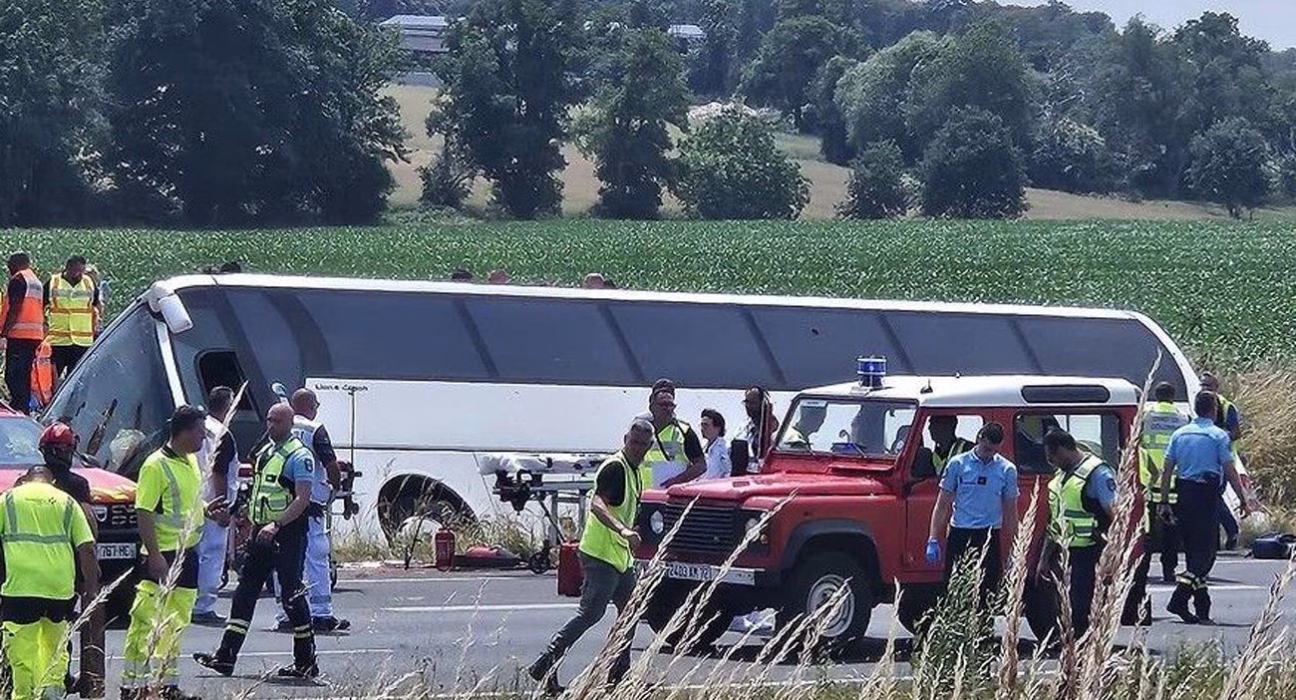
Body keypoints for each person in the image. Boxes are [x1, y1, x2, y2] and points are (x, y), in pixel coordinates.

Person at [528, 420, 654, 694]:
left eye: (643, 444)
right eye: (633, 442)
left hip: (620, 558)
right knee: (590, 614)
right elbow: (598, 504)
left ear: (649, 446)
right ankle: (546, 664)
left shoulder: (636, 470)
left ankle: (618, 676)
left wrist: (634, 532)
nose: (637, 448)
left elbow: (629, 508)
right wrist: (622, 529)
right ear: (625, 439)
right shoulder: (615, 468)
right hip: (600, 555)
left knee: (630, 613)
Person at [194, 403, 319, 679]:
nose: (270, 425)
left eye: (276, 421)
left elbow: (303, 498)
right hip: (260, 532)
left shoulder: (299, 456)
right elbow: (257, 492)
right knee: (245, 592)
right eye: (268, 420)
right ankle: (225, 656)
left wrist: (278, 523)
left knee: (292, 594)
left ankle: (306, 661)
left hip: (288, 533)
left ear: (289, 424)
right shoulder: (265, 452)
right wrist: (245, 520)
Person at [123, 405, 225, 700]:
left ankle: (167, 686)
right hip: (162, 555)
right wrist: (153, 554)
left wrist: (207, 511)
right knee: (146, 622)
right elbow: (144, 511)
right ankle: (134, 687)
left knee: (175, 624)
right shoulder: (156, 465)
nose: (203, 438)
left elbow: (183, 507)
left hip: (186, 554)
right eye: (199, 431)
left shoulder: (191, 462)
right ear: (182, 431)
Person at [1159, 391, 1259, 625]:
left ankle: (1202, 608)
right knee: (1205, 556)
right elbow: (1230, 469)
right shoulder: (1217, 436)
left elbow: (1167, 469)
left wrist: (1164, 501)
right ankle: (1179, 599)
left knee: (1194, 553)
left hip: (1183, 493)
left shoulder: (1179, 434)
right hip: (1205, 495)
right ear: (1213, 410)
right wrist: (1243, 499)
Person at [0, 466, 100, 700]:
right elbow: (86, 548)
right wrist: (91, 589)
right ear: (52, 481)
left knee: (23, 651)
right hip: (59, 588)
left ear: (24, 480)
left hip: (20, 587)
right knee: (55, 647)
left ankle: (24, 696)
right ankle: (52, 694)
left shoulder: (8, 500)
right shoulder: (66, 501)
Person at [274, 388, 349, 633]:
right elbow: (330, 464)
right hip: (310, 505)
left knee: (285, 559)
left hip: (280, 505)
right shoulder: (314, 428)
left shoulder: (279, 425)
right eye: (316, 403)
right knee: (317, 556)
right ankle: (322, 614)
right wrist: (335, 488)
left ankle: (285, 614)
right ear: (310, 405)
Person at [38, 422, 103, 695]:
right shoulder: (77, 485)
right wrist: (90, 576)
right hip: (65, 570)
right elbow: (87, 529)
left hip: (25, 570)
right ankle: (61, 679)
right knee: (60, 628)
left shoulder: (31, 480)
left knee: (28, 632)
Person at [925, 422, 1018, 608]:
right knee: (954, 589)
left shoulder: (1006, 470)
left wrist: (1016, 547)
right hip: (961, 533)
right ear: (979, 439)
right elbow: (942, 504)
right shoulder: (958, 464)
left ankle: (983, 633)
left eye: (992, 451)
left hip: (989, 535)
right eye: (985, 448)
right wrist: (933, 539)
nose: (988, 454)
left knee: (987, 591)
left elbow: (1010, 511)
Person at [1040, 430, 1118, 639]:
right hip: (1065, 553)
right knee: (1064, 609)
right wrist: (1045, 558)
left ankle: (1088, 655)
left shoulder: (1097, 474)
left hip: (1091, 552)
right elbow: (1054, 521)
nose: (1051, 462)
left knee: (1082, 608)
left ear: (1063, 450)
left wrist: (1113, 556)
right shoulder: (1062, 476)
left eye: (1052, 457)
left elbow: (1116, 516)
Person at [193, 387, 241, 627]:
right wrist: (222, 507)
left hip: (197, 502)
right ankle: (204, 606)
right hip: (214, 505)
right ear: (228, 405)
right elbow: (220, 472)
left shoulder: (201, 428)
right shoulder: (222, 433)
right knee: (212, 556)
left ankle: (194, 602)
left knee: (197, 554)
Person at [1200, 372, 1242, 550]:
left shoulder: (1226, 406)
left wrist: (1218, 437)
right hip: (1204, 458)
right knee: (1210, 496)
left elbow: (1236, 432)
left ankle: (1231, 530)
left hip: (1222, 458)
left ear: (1216, 388)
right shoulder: (1199, 403)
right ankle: (1217, 537)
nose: (1204, 389)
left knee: (1214, 495)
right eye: (1202, 386)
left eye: (1208, 386)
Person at [43, 255, 101, 380]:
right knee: (52, 377)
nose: (79, 274)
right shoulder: (53, 282)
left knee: (77, 379)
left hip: (82, 341)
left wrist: (95, 327)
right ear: (68, 268)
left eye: (81, 271)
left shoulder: (89, 283)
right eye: (76, 271)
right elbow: (41, 305)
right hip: (58, 340)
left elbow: (96, 306)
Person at [638, 383, 705, 488]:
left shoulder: (685, 431)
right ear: (652, 407)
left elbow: (701, 465)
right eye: (663, 405)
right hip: (644, 495)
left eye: (671, 405)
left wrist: (677, 481)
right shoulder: (641, 429)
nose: (668, 408)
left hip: (671, 497)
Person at [1, 252, 45, 413]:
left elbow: (15, 308)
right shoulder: (35, 281)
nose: (9, 269)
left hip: (18, 335)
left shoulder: (18, 279)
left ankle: (18, 408)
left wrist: (3, 334)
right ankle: (23, 408)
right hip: (34, 335)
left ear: (16, 264)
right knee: (23, 376)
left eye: (9, 265)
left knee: (13, 376)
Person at [738, 387, 778, 475]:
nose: (748, 406)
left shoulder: (771, 426)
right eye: (747, 402)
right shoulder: (745, 425)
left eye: (753, 403)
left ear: (762, 404)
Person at [699, 409, 731, 480]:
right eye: (701, 425)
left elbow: (728, 472)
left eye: (706, 425)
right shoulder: (702, 447)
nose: (702, 429)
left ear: (718, 428)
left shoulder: (725, 448)